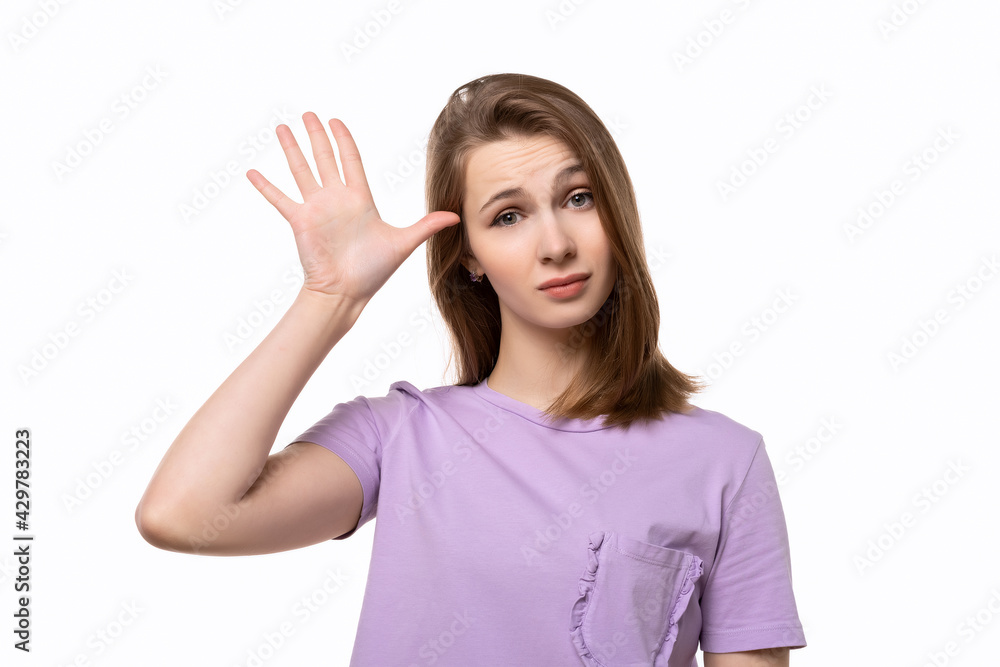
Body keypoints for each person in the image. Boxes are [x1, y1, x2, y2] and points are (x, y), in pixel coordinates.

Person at [135, 73, 806, 666]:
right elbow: (182, 514)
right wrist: (330, 297)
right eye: (508, 216)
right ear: (470, 255)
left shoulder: (724, 461)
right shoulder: (398, 438)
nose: (556, 244)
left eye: (578, 197)